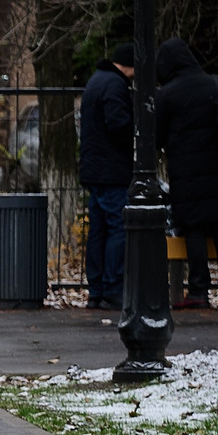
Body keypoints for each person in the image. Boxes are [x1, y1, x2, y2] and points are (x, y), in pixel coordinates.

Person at [155, 36, 218, 311]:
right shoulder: (217, 84)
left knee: (194, 230)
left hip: (188, 174)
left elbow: (157, 136)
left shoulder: (167, 94)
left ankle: (198, 291)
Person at [77, 43, 135, 309]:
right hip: (111, 170)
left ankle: (96, 289)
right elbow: (119, 123)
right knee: (116, 229)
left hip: (95, 169)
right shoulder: (114, 84)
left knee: (98, 230)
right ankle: (112, 287)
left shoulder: (96, 81)